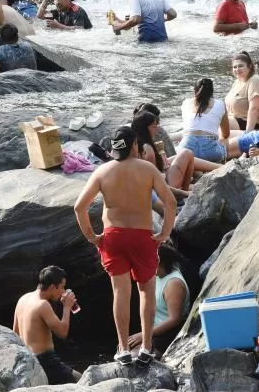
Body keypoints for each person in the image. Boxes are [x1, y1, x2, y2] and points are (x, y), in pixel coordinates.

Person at [73, 126, 176, 365]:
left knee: (120, 292)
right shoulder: (148, 169)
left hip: (113, 236)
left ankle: (122, 348)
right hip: (142, 237)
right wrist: (164, 233)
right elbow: (170, 203)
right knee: (146, 291)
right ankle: (147, 347)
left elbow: (79, 207)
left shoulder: (103, 171)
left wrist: (92, 236)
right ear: (134, 146)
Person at [13, 266, 81, 384]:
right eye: (62, 287)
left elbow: (15, 333)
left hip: (28, 359)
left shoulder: (23, 299)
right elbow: (62, 333)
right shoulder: (42, 305)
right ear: (52, 287)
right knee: (83, 381)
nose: (63, 291)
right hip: (45, 361)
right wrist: (67, 307)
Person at [127, 243, 190, 354]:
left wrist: (144, 334)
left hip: (170, 332)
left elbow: (175, 319)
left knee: (135, 354)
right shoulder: (158, 275)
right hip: (155, 330)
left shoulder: (173, 284)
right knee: (124, 347)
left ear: (161, 263)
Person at [132, 111, 208, 194]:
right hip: (163, 190)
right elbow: (155, 179)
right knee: (187, 153)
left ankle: (185, 189)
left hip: (153, 185)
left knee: (185, 154)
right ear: (144, 128)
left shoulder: (135, 144)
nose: (157, 129)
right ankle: (184, 191)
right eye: (154, 126)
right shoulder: (147, 148)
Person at [176, 77, 230, 164]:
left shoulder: (186, 103)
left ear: (194, 91)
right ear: (212, 92)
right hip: (211, 153)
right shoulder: (220, 104)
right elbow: (226, 134)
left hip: (186, 149)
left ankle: (196, 170)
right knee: (225, 139)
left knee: (184, 138)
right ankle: (221, 164)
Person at [113, 0, 177, 42]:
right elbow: (173, 14)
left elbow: (136, 20)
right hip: (163, 41)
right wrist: (163, 19)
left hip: (146, 43)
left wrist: (119, 27)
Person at [225, 51, 259, 132]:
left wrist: (248, 134)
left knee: (217, 124)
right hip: (235, 119)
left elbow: (254, 109)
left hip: (252, 124)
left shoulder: (255, 81)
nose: (237, 69)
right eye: (234, 67)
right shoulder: (237, 82)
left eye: (240, 66)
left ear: (249, 66)